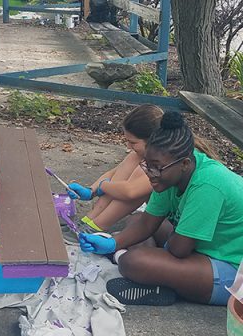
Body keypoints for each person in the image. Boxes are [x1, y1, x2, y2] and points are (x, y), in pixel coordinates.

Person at [78, 111, 243, 307]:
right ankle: (159, 281)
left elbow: (179, 249)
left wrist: (168, 242)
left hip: (233, 269)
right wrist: (113, 243)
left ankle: (156, 276)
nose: (150, 174)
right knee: (135, 221)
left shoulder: (208, 186)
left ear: (184, 164)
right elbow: (148, 223)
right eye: (147, 166)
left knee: (133, 261)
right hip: (203, 247)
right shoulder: (169, 173)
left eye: (156, 168)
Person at [66, 104, 164, 236]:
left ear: (153, 139)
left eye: (133, 142)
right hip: (156, 210)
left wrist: (104, 186)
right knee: (133, 159)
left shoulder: (164, 160)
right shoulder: (149, 151)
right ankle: (90, 220)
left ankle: (97, 226)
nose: (128, 146)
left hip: (170, 220)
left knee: (137, 181)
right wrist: (91, 191)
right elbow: (115, 172)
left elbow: (130, 192)